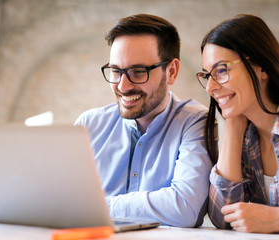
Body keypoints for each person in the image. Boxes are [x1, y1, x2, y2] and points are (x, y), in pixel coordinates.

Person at [75, 14, 214, 227]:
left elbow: (185, 207)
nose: (123, 86)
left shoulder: (194, 122)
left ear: (172, 71)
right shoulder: (88, 125)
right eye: (116, 71)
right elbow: (61, 202)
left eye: (138, 72)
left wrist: (95, 207)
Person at [196, 14, 279, 234]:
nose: (210, 87)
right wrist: (233, 128)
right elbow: (223, 218)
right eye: (207, 75)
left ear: (262, 67)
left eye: (221, 70)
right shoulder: (245, 140)